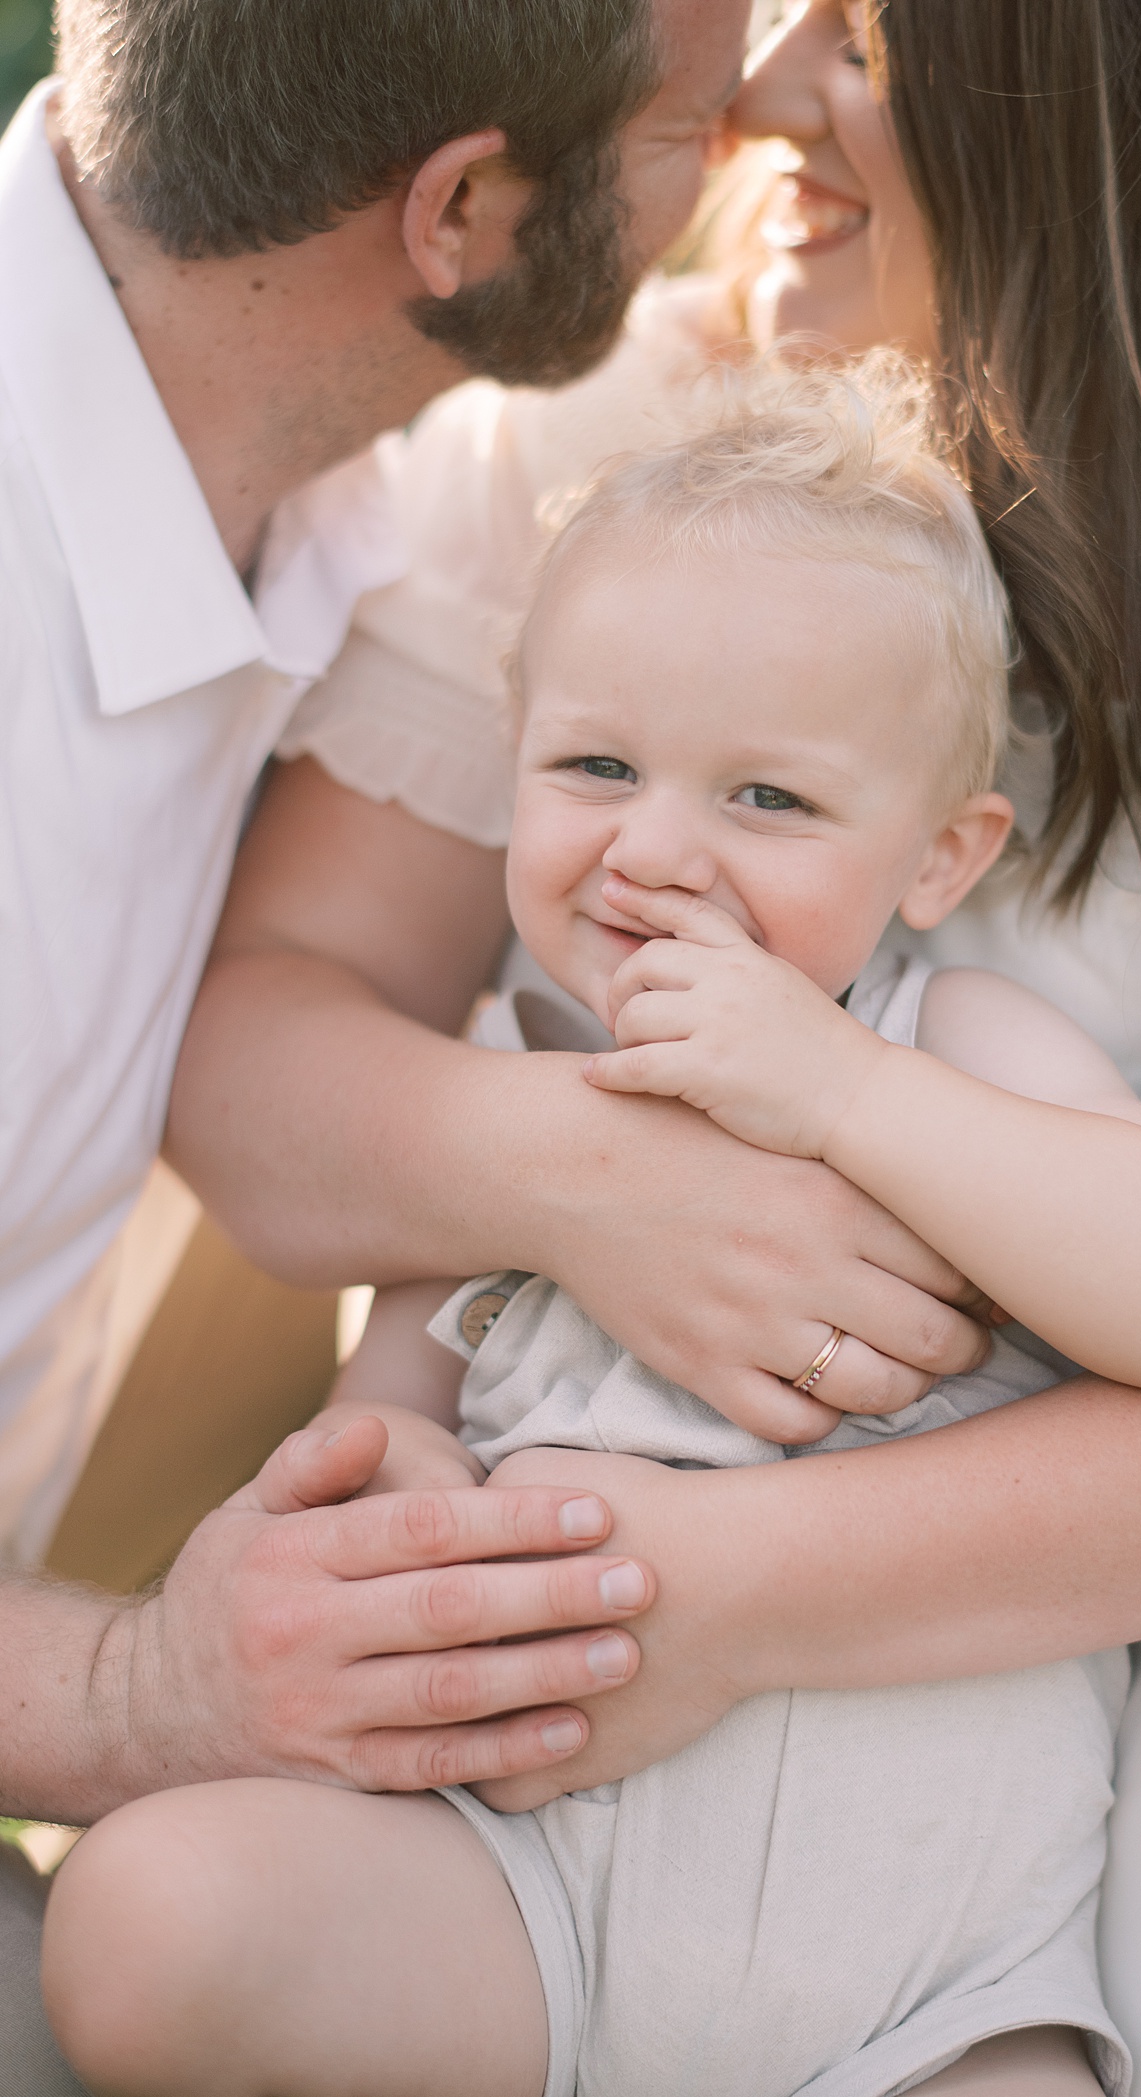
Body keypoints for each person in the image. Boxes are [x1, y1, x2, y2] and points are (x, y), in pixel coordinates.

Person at [156, 3, 1141, 2094]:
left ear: (1104, 112)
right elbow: (269, 1046)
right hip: (558, 1674)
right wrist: (578, 1173)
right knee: (180, 1925)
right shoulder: (623, 432)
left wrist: (711, 1585)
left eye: (868, 34)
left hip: (1074, 1608)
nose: (757, 83)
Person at [0, 0, 752, 2082]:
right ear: (466, 212)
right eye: (701, 112)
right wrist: (139, 1691)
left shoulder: (338, 484)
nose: (775, 104)